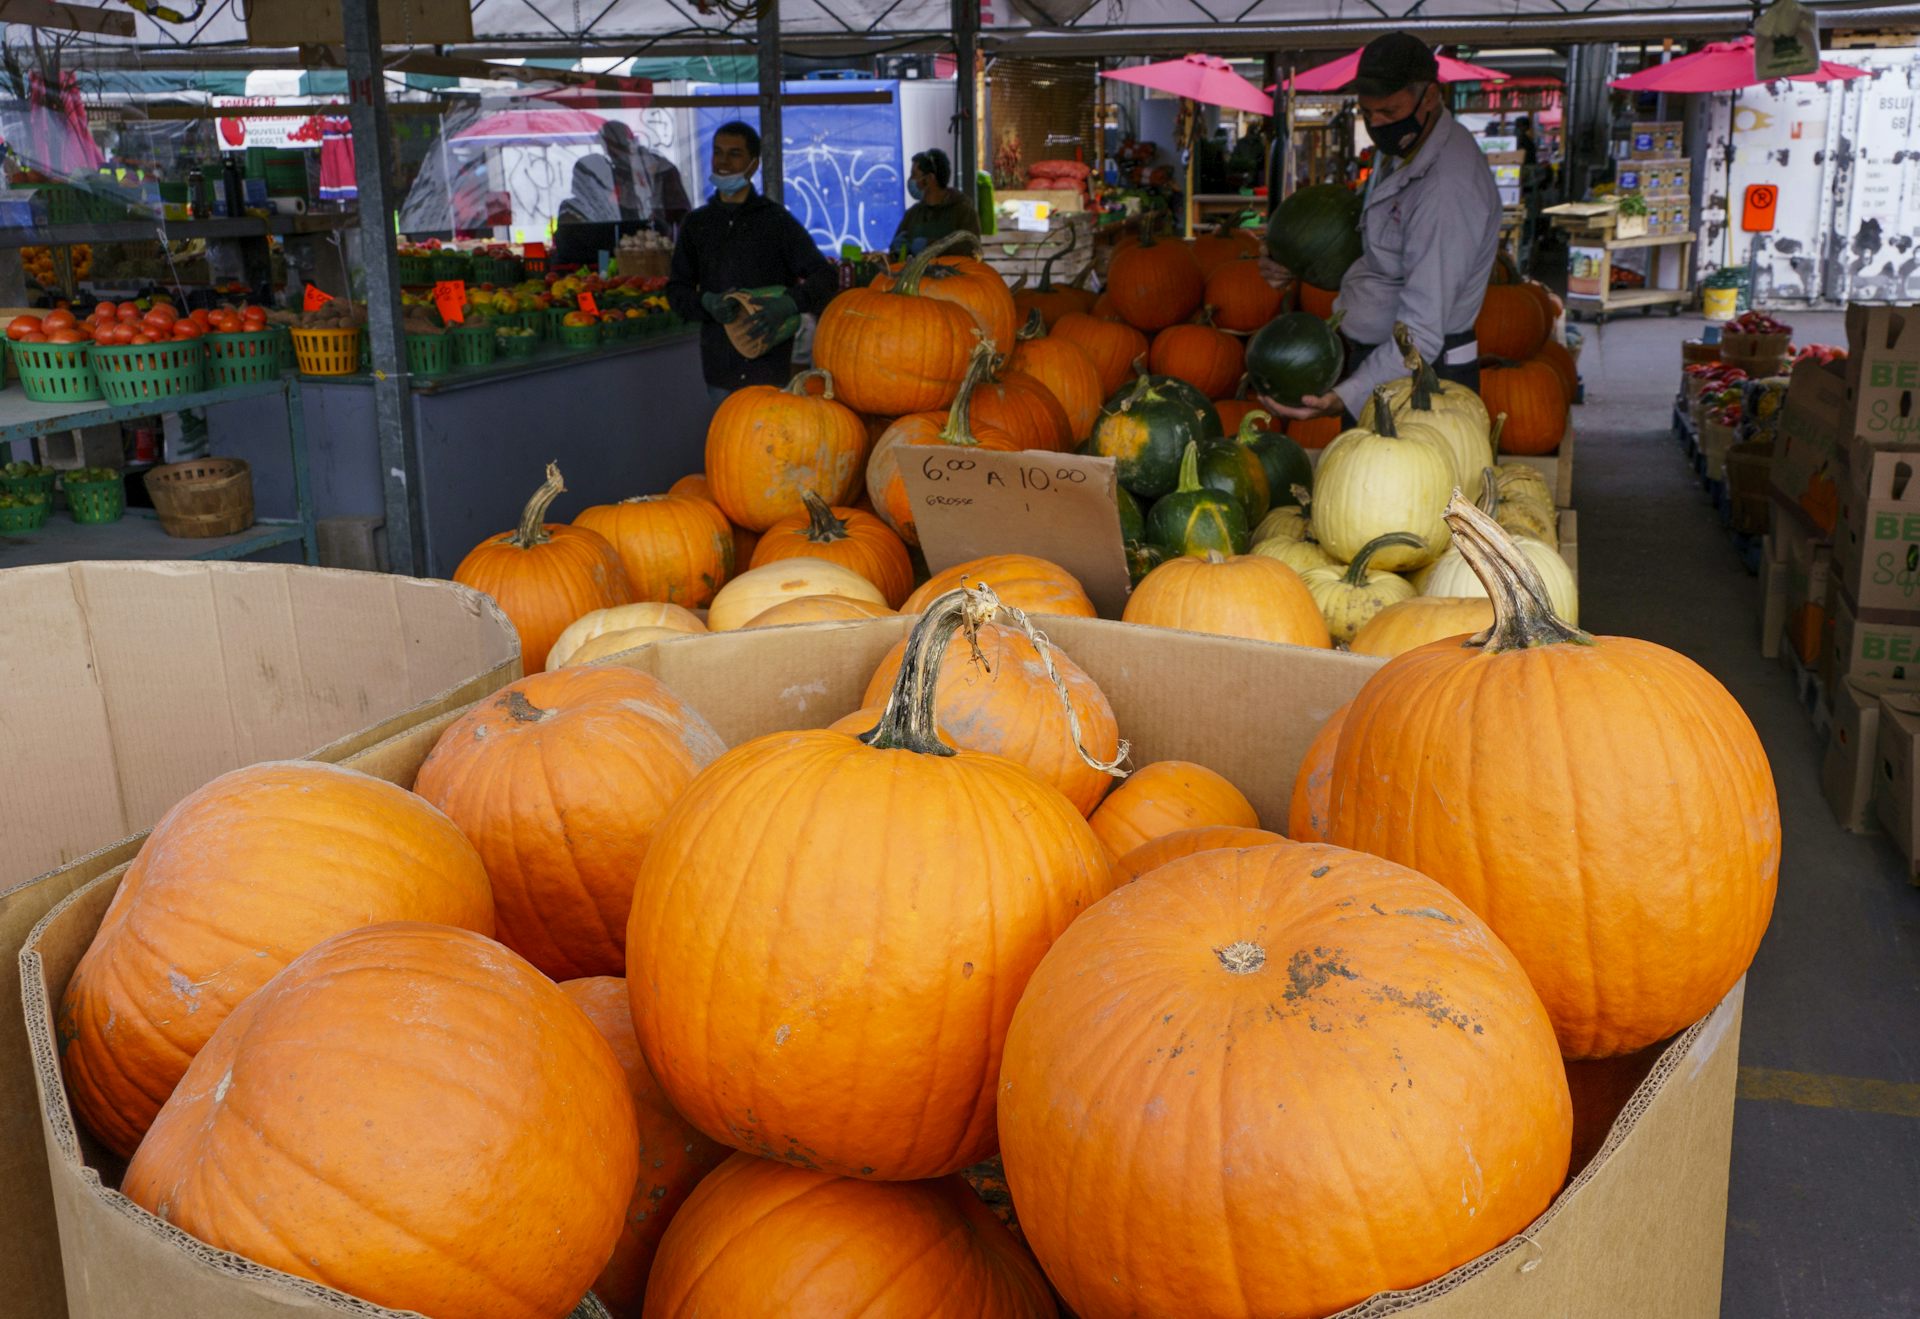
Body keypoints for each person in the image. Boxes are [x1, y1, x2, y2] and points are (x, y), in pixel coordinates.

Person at [1257, 33, 1501, 424]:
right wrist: (1289, 257)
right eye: (1367, 113)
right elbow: (1381, 255)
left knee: (1430, 487)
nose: (1377, 124)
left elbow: (1421, 331)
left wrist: (1347, 396)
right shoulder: (1406, 150)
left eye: (1389, 111)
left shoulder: (1446, 189)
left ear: (1430, 97)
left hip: (1424, 380)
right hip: (1380, 362)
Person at [665, 120, 837, 404]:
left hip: (770, 370)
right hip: (720, 370)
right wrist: (707, 302)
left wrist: (788, 304)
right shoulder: (697, 224)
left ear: (753, 165)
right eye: (718, 152)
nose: (723, 162)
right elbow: (676, 291)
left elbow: (825, 277)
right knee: (729, 442)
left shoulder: (776, 221)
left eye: (734, 154)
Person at [888, 148, 980, 257]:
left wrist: (930, 245)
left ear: (930, 179)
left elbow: (972, 249)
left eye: (914, 174)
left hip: (954, 274)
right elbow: (896, 259)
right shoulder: (912, 215)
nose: (910, 180)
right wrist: (896, 251)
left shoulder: (963, 212)